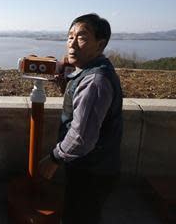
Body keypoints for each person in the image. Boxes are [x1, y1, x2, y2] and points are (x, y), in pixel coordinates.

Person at [38, 13, 123, 224]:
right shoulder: (91, 70)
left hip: (92, 171)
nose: (72, 44)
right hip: (98, 166)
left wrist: (53, 158)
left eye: (82, 37)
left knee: (79, 216)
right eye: (69, 36)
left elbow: (81, 137)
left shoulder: (95, 81)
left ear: (100, 44)